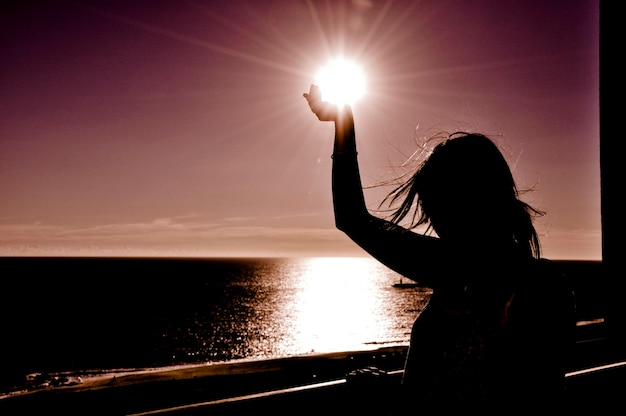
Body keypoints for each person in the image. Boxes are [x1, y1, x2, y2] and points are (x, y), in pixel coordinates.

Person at [303, 84, 576, 409]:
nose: (436, 226)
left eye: (437, 210)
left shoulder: (457, 268)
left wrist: (344, 125)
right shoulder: (546, 283)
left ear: (466, 204)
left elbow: (352, 218)